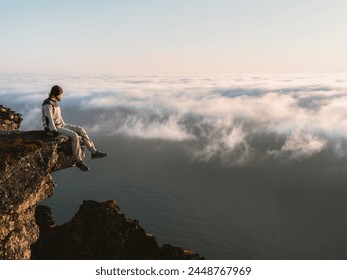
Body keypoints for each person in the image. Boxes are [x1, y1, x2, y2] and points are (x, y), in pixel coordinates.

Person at [42, 85, 107, 171]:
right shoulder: (47, 104)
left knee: (81, 130)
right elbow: (49, 119)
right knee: (74, 136)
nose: (61, 96)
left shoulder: (54, 102)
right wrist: (53, 131)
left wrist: (65, 125)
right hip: (54, 128)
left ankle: (94, 152)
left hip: (61, 125)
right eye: (60, 94)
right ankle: (78, 161)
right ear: (56, 95)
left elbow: (58, 117)